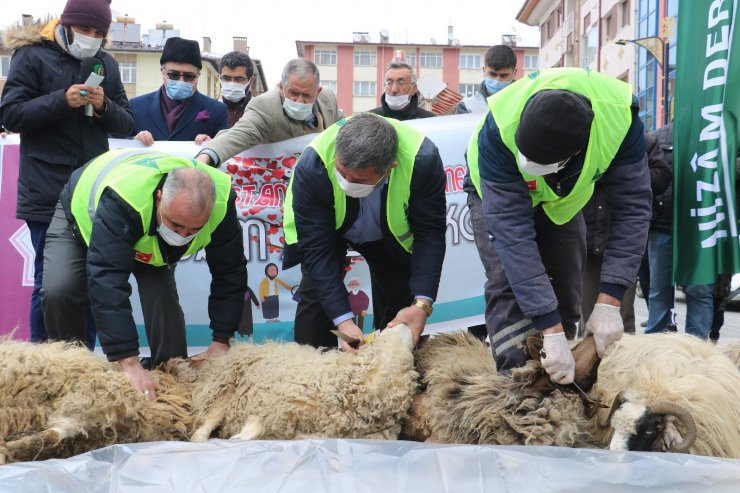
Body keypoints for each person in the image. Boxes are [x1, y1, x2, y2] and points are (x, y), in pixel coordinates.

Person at [466, 67, 651, 384]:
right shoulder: (500, 126)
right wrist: (547, 330)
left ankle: (565, 376)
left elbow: (632, 209)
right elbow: (513, 238)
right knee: (507, 283)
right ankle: (517, 389)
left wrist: (609, 301)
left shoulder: (619, 116)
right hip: (494, 193)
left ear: (576, 151)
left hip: (563, 201)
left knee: (565, 283)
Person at [41, 149, 247, 398]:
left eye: (194, 229)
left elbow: (230, 272)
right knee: (60, 289)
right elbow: (108, 280)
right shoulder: (126, 198)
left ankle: (172, 379)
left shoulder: (222, 203)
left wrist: (222, 340)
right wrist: (127, 361)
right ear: (159, 198)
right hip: (81, 213)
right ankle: (72, 378)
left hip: (144, 226)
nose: (182, 237)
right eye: (176, 225)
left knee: (161, 293)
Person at [0, 0, 133, 345]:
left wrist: (104, 106)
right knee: (50, 283)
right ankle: (43, 364)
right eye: (84, 29)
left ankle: (84, 362)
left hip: (90, 191)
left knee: (88, 281)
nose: (90, 37)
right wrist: (62, 100)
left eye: (98, 33)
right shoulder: (32, 55)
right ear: (66, 23)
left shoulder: (106, 64)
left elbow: (127, 122)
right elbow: (10, 114)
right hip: (45, 190)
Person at [282, 114, 446, 351]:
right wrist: (344, 322)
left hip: (387, 233)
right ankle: (311, 372)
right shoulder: (314, 164)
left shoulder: (423, 160)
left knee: (399, 304)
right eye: (341, 172)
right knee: (316, 298)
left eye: (357, 179)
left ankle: (391, 368)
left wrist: (422, 305)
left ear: (390, 168)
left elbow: (430, 233)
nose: (346, 182)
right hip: (329, 230)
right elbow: (317, 250)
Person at [580, 131, 672, 336]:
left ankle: (624, 360)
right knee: (586, 312)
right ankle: (586, 361)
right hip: (587, 236)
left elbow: (662, 178)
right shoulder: (589, 136)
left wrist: (626, 172)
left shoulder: (642, 140)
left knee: (620, 313)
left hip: (622, 240)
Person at [195, 59, 342, 167]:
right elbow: (239, 135)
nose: (299, 100)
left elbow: (343, 127)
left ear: (318, 92)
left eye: (307, 95)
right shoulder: (265, 106)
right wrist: (206, 156)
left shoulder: (328, 99)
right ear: (281, 87)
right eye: (293, 93)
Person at [644, 123, 714, 339]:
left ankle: (697, 346)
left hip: (701, 228)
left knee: (700, 290)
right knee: (659, 289)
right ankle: (655, 345)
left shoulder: (715, 131)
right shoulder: (659, 135)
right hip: (663, 225)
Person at [131, 37, 227, 146]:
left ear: (198, 76)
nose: (181, 81)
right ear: (162, 71)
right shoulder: (136, 107)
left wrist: (213, 144)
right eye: (174, 75)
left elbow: (225, 149)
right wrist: (134, 140)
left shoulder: (217, 110)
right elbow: (116, 142)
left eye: (189, 76)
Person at [454, 45, 517, 115]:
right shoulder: (467, 107)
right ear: (484, 71)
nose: (497, 80)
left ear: (514, 73)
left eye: (503, 76)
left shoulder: (525, 104)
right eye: (492, 74)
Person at [368, 61, 436, 120]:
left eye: (401, 83)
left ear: (414, 89)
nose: (394, 89)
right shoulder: (368, 119)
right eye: (389, 83)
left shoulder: (428, 120)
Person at [217, 51, 256, 128]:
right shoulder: (211, 109)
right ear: (219, 78)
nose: (232, 84)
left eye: (239, 79)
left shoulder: (259, 110)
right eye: (226, 78)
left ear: (251, 81)